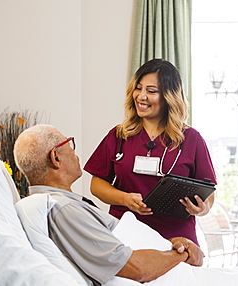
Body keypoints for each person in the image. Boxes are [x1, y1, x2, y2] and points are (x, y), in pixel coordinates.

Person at [13, 124, 204, 285]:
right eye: (69, 144)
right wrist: (183, 255)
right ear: (56, 157)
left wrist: (173, 244)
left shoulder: (65, 204)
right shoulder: (64, 209)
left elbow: (120, 250)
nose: (74, 150)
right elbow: (136, 268)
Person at [84, 59, 216, 245]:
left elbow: (208, 193)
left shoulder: (191, 139)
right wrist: (124, 198)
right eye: (138, 88)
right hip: (127, 235)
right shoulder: (119, 135)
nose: (141, 96)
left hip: (176, 240)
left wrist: (202, 209)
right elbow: (96, 184)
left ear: (169, 97)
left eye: (151, 91)